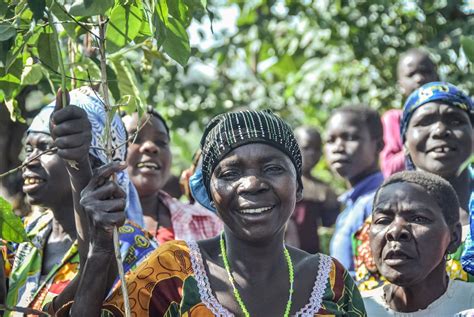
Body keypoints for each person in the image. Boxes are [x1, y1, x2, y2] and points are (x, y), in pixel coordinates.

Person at [54, 110, 367, 316]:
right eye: (230, 173)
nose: (253, 184)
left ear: (298, 187)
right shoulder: (170, 272)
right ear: (209, 194)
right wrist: (101, 247)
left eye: (272, 168)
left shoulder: (330, 280)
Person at [2, 87, 156, 316]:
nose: (29, 161)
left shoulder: (130, 247)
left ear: (94, 160)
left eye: (46, 148)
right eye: (28, 148)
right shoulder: (27, 235)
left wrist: (78, 167)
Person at [354, 82, 474, 290]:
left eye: (455, 120)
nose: (440, 130)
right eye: (424, 122)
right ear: (405, 141)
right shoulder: (380, 228)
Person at [363, 171, 474, 316]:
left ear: (454, 236)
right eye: (383, 221)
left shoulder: (469, 303)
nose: (395, 231)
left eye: (418, 219)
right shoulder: (355, 310)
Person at [122, 108, 223, 243]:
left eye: (161, 142)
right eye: (134, 138)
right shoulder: (90, 219)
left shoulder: (207, 223)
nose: (151, 146)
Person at [324, 105, 384, 273]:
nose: (338, 147)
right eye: (330, 140)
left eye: (350, 137)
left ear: (378, 145)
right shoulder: (353, 205)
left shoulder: (378, 201)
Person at [379, 48, 439, 178]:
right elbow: (389, 169)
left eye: (426, 72)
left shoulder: (454, 114)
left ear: (437, 77)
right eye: (411, 74)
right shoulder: (394, 119)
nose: (419, 79)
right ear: (400, 85)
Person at [291, 126, 339, 253]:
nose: (312, 153)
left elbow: (329, 225)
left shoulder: (323, 189)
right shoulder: (283, 182)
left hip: (309, 259)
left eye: (317, 149)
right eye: (306, 148)